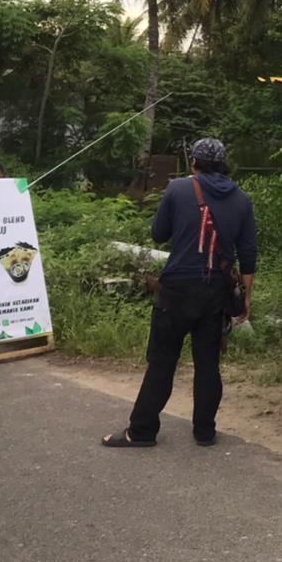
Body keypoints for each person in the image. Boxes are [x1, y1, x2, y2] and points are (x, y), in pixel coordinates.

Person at [102, 138, 257, 448]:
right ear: (224, 164)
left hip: (175, 291)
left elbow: (159, 234)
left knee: (162, 362)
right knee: (208, 363)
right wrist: (245, 298)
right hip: (215, 292)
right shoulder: (242, 200)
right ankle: (205, 432)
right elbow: (249, 253)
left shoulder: (177, 189)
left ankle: (142, 432)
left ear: (194, 164)